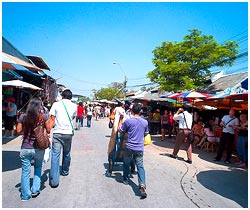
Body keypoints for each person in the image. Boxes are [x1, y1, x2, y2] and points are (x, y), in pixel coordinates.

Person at [16, 97, 50, 201]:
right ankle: (35, 189)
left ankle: (25, 195)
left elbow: (18, 131)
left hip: (25, 147)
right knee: (38, 168)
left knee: (25, 172)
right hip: (39, 148)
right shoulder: (43, 117)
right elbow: (48, 129)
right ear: (39, 106)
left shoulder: (23, 116)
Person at [119, 103, 149, 198]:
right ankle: (142, 184)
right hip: (139, 148)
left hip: (129, 147)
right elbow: (145, 134)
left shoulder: (128, 121)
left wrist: (120, 122)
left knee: (126, 163)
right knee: (140, 166)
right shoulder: (145, 122)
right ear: (140, 111)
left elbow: (121, 130)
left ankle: (125, 179)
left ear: (131, 111)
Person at [48, 89, 77, 188]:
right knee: (67, 153)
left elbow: (52, 118)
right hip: (68, 133)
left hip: (57, 132)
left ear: (62, 96)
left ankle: (54, 181)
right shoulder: (74, 106)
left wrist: (48, 131)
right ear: (71, 97)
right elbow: (73, 117)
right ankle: (65, 171)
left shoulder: (56, 104)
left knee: (55, 155)